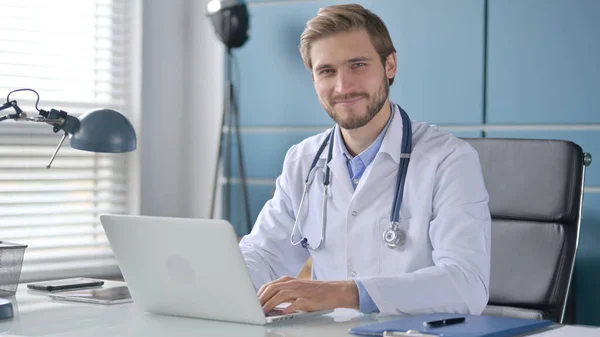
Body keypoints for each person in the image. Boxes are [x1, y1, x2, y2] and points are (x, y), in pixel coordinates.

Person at [239, 3, 491, 316]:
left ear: (390, 66)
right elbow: (264, 254)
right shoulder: (303, 160)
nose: (343, 87)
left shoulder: (449, 160)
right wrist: (223, 283)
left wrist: (346, 293)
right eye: (327, 71)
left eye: (358, 65)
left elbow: (467, 285)